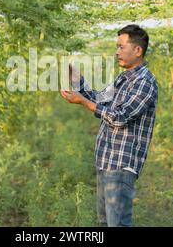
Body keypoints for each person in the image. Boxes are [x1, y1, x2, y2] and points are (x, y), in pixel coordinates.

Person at [59, 24, 158, 227]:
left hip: (121, 166)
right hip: (106, 163)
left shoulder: (144, 82)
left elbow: (120, 117)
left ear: (138, 50)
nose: (116, 52)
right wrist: (75, 77)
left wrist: (84, 102)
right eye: (117, 47)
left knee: (118, 224)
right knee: (105, 223)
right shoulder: (123, 79)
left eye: (121, 47)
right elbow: (99, 99)